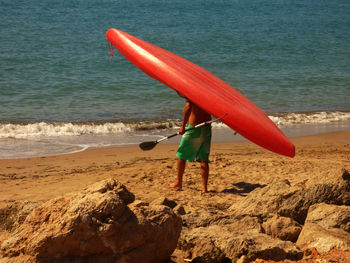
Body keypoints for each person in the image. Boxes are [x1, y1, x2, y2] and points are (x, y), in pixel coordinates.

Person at [168, 98, 212, 193]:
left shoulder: (192, 90)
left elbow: (188, 107)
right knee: (204, 158)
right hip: (207, 127)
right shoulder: (208, 91)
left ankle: (178, 182)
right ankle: (204, 188)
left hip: (194, 129)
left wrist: (183, 126)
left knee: (181, 154)